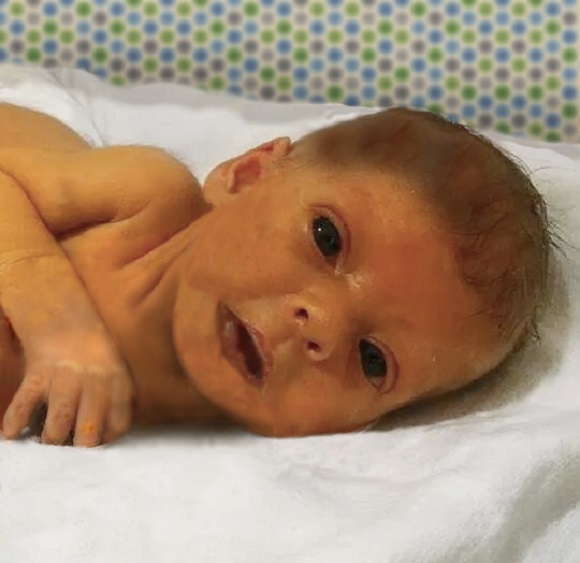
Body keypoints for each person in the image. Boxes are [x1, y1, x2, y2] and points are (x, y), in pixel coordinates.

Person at [0, 101, 551, 447]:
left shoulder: (186, 442)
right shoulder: (145, 202)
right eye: (327, 238)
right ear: (247, 174)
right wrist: (49, 309)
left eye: (373, 360)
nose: (323, 326)